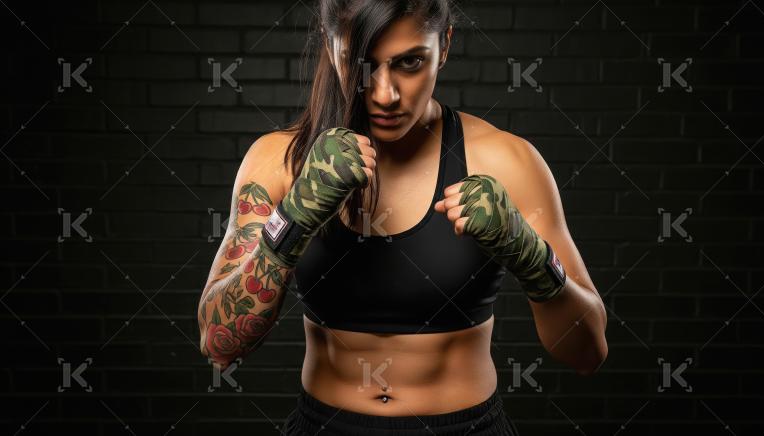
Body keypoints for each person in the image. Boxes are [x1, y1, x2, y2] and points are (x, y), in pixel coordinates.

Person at [197, 1, 608, 434]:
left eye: (410, 63)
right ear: (330, 47)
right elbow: (219, 344)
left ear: (444, 46)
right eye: (360, 64)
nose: (385, 95)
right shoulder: (279, 162)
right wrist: (293, 218)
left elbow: (587, 353)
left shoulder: (507, 161)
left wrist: (531, 255)